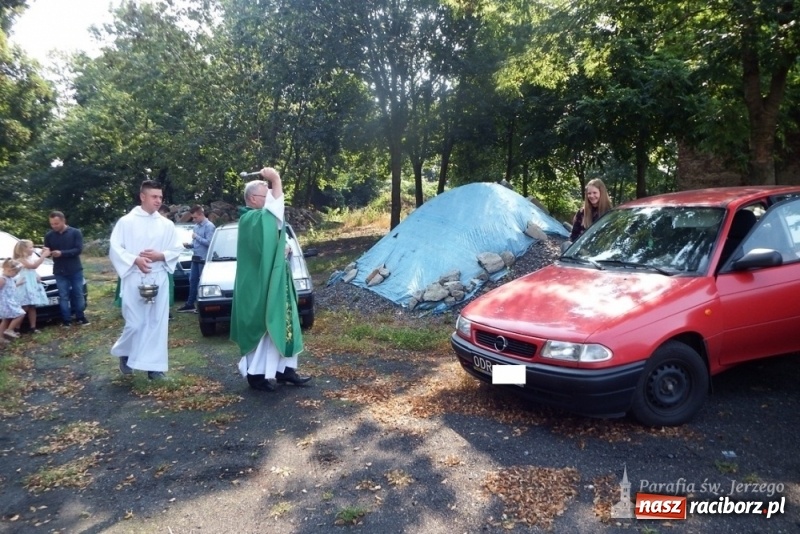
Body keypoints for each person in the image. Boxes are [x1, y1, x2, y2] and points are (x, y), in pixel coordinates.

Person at [230, 167, 311, 391]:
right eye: (266, 196)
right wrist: (275, 179)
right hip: (259, 284)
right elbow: (275, 215)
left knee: (284, 323)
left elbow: (274, 239)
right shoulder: (251, 219)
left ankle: (285, 371)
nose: (270, 200)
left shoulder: (261, 217)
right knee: (263, 326)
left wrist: (284, 250)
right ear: (253, 199)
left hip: (275, 281)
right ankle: (256, 376)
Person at [109, 180, 184, 380]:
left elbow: (177, 249)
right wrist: (135, 260)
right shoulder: (126, 222)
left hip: (158, 277)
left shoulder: (166, 224)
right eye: (154, 197)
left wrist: (161, 256)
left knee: (157, 323)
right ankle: (125, 353)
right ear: (142, 196)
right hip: (135, 278)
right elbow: (115, 248)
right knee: (135, 322)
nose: (158, 201)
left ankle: (154, 368)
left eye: (160, 197)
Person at [44, 211, 89, 326]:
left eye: (56, 223)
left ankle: (80, 317)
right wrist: (46, 252)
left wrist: (61, 253)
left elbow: (78, 250)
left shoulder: (75, 232)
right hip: (59, 270)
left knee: (78, 293)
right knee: (63, 295)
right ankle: (66, 320)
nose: (54, 226)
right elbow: (47, 251)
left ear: (64, 221)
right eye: (52, 224)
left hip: (75, 269)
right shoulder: (49, 236)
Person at [177, 205, 215, 313]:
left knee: (202, 282)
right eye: (192, 218)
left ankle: (201, 305)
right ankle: (190, 304)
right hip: (195, 257)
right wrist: (189, 245)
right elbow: (196, 243)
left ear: (201, 215)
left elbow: (209, 243)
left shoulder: (209, 226)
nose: (194, 220)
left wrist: (196, 237)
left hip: (203, 258)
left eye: (195, 217)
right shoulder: (196, 227)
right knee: (192, 280)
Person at [13, 239, 51, 333]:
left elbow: (32, 270)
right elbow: (33, 266)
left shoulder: (29, 258)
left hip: (32, 284)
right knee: (24, 307)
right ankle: (16, 328)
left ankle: (33, 327)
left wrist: (36, 275)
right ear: (23, 250)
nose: (32, 249)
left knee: (32, 307)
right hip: (25, 285)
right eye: (30, 247)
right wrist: (43, 256)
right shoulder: (20, 260)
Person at [0, 259, 26, 342]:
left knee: (6, 319)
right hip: (6, 303)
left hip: (10, 301)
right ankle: (9, 330)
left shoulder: (9, 279)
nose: (16, 275)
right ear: (9, 270)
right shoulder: (2, 279)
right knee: (21, 314)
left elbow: (10, 287)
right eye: (16, 273)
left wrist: (18, 284)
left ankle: (1, 338)